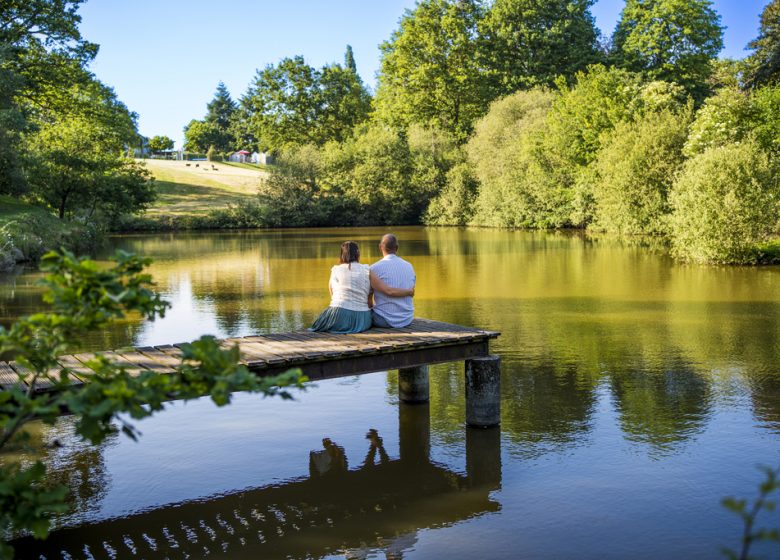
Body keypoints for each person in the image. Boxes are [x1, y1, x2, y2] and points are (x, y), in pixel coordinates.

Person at [310, 241, 413, 334]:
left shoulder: (335, 270)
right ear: (358, 254)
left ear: (341, 255)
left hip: (337, 315)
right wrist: (409, 292)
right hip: (361, 319)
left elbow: (332, 294)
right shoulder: (367, 270)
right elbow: (384, 292)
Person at [370, 234, 416, 328]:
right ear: (397, 248)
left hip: (383, 320)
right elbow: (412, 289)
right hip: (407, 319)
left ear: (380, 247)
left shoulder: (373, 268)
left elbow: (368, 300)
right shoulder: (409, 266)